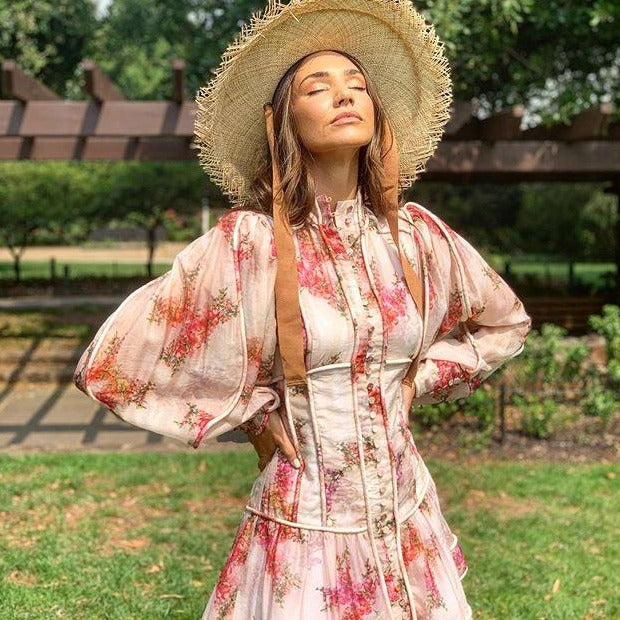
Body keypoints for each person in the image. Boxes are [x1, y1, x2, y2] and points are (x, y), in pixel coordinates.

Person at [74, 1, 532, 618]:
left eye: (358, 86)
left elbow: (505, 322)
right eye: (318, 88)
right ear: (285, 122)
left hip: (406, 516)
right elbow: (115, 362)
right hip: (305, 527)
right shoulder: (251, 243)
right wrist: (253, 415)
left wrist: (418, 379)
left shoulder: (414, 237)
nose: (345, 96)